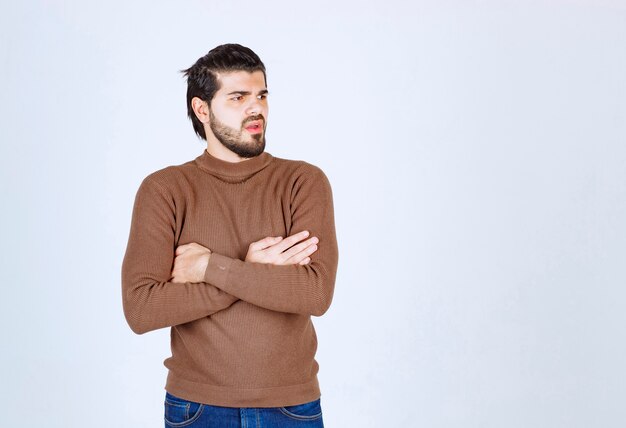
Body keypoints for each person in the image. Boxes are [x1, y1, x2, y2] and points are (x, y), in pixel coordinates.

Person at [121, 43, 339, 428]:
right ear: (202, 109)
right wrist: (252, 270)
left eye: (261, 95)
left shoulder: (302, 182)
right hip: (197, 408)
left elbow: (315, 294)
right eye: (238, 97)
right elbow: (142, 310)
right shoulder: (165, 189)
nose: (255, 109)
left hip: (291, 407)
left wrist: (208, 267)